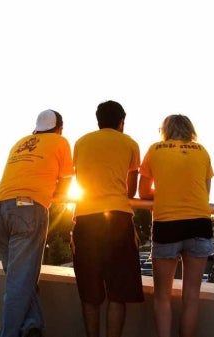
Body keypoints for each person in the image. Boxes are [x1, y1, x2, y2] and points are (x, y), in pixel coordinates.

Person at [0, 109, 74, 337]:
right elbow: (65, 185)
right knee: (19, 284)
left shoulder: (20, 142)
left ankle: (32, 327)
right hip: (27, 211)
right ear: (60, 128)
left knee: (20, 279)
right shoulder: (60, 142)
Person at [71, 100, 144, 337]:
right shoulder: (130, 143)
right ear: (121, 121)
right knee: (117, 293)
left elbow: (81, 181)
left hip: (85, 219)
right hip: (118, 220)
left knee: (90, 295)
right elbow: (130, 191)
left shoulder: (81, 143)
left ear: (98, 120)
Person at [138, 114, 214, 337]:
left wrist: (164, 192)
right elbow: (205, 192)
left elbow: (143, 193)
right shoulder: (202, 151)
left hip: (167, 225)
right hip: (200, 223)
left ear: (165, 130)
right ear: (190, 130)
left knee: (162, 296)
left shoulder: (155, 149)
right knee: (191, 296)